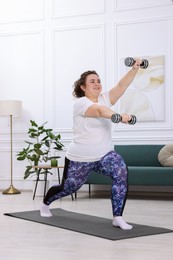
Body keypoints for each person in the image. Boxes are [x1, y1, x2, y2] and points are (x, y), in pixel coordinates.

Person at [40, 59, 142, 230]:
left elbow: (122, 86)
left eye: (98, 80)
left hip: (104, 154)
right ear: (83, 87)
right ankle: (45, 203)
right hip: (80, 157)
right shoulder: (81, 103)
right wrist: (117, 116)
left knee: (121, 172)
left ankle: (117, 217)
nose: (97, 83)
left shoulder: (105, 98)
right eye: (92, 81)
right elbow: (99, 111)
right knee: (69, 187)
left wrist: (135, 68)